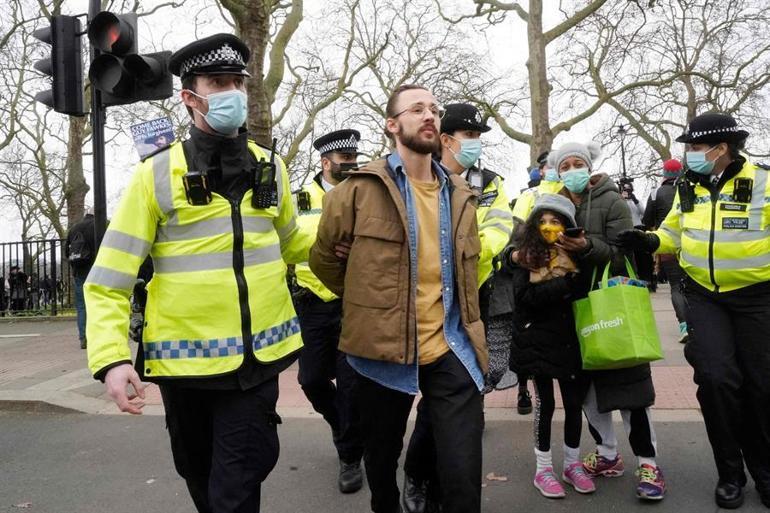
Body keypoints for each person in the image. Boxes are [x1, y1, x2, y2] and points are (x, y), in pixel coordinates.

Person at [84, 33, 312, 513]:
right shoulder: (155, 175)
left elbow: (297, 244)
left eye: (238, 83)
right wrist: (111, 358)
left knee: (234, 490)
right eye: (218, 82)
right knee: (200, 479)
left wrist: (356, 241)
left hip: (256, 364)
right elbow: (109, 278)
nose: (232, 93)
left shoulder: (272, 168)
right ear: (190, 97)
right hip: (183, 369)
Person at [310, 84, 487, 513]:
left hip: (452, 347)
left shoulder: (461, 195)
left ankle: (426, 484)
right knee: (381, 463)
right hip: (381, 352)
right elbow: (324, 262)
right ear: (392, 125)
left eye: (434, 109)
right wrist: (370, 303)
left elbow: (466, 273)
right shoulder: (355, 191)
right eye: (416, 109)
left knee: (463, 476)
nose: (429, 115)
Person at [619, 113, 770, 510]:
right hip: (704, 296)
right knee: (717, 382)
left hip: (758, 297)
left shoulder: (764, 181)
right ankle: (730, 474)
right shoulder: (688, 184)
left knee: (761, 385)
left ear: (720, 148)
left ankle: (766, 471)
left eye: (694, 147)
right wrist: (647, 239)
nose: (688, 154)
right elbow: (673, 231)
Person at [523, 142, 666, 501]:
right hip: (574, 308)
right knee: (587, 393)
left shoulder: (612, 199)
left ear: (588, 166)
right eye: (566, 164)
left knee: (631, 389)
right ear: (557, 170)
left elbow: (622, 254)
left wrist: (586, 248)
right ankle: (607, 454)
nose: (573, 169)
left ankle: (648, 462)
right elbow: (527, 241)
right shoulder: (555, 202)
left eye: (578, 163)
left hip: (612, 304)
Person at [401, 103, 512, 512]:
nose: (476, 144)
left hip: (473, 299)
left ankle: (435, 483)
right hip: (429, 303)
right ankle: (418, 473)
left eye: (479, 137)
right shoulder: (417, 175)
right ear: (446, 140)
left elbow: (499, 229)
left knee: (459, 397)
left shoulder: (490, 183)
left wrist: (464, 256)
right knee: (442, 397)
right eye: (470, 136)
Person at [506, 194, 594, 498]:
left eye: (555, 221)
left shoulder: (579, 256)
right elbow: (526, 297)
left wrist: (567, 286)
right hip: (536, 341)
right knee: (545, 405)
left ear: (567, 226)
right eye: (542, 221)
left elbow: (585, 289)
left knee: (573, 404)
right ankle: (543, 468)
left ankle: (572, 464)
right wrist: (566, 286)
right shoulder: (526, 255)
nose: (548, 227)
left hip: (571, 341)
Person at [293, 129, 364, 493]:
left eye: (354, 159)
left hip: (353, 303)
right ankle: (342, 425)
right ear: (325, 163)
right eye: (344, 161)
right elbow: (288, 242)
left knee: (352, 385)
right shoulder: (298, 197)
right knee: (311, 380)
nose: (351, 165)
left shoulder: (366, 193)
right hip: (312, 303)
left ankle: (350, 456)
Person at [511, 150, 562, 414]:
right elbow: (517, 230)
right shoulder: (528, 196)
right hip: (533, 268)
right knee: (527, 334)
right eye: (548, 165)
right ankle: (522, 389)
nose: (553, 169)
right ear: (541, 170)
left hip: (562, 270)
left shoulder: (569, 191)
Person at [642, 158, 688, 343]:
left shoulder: (655, 193)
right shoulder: (689, 188)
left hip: (668, 244)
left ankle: (684, 325)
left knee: (676, 286)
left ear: (664, 174)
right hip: (691, 243)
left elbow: (646, 220)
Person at [66, 210, 96, 348]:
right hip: (96, 269)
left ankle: (83, 337)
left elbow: (67, 251)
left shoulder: (74, 229)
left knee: (82, 306)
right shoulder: (99, 226)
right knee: (98, 303)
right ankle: (97, 336)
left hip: (79, 271)